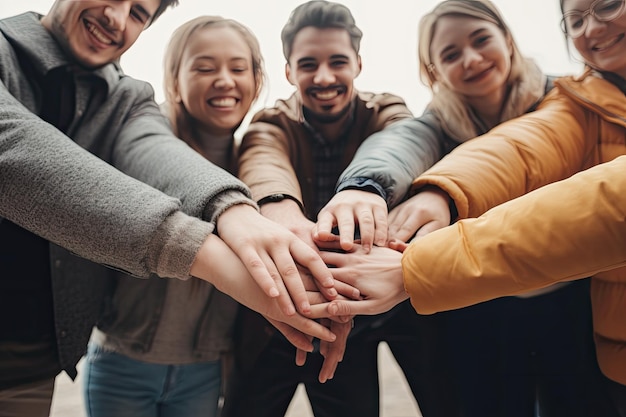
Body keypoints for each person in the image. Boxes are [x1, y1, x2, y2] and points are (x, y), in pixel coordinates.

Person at [0, 2, 343, 415]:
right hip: (122, 357)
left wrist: (235, 210)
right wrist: (212, 250)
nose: (116, 16)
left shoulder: (124, 98)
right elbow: (14, 147)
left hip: (33, 367)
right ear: (176, 79)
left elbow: (153, 149)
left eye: (138, 12)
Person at [316, 0, 626, 414]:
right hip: (479, 302)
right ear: (433, 72)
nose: (472, 59)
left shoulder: (569, 97)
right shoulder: (440, 124)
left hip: (572, 298)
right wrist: (372, 187)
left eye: (481, 40)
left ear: (508, 40)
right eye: (450, 54)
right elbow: (407, 144)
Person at [221, 2, 460, 417]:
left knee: (449, 402)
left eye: (338, 62)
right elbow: (263, 158)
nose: (325, 77)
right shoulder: (272, 123)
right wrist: (281, 213)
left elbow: (403, 143)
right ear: (289, 72)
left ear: (358, 64)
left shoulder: (387, 111)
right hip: (311, 301)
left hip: (402, 297)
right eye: (308, 64)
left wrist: (366, 187)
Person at [81, 16, 265, 417]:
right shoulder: (140, 142)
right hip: (123, 358)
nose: (224, 80)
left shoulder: (254, 162)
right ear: (174, 78)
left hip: (204, 368)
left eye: (238, 68)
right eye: (204, 67)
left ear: (257, 79)